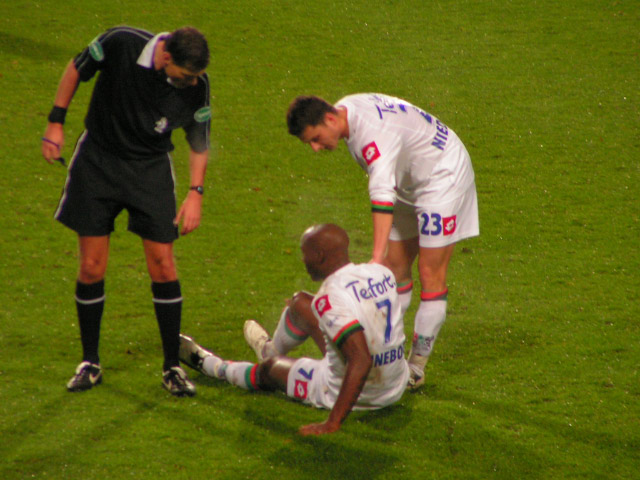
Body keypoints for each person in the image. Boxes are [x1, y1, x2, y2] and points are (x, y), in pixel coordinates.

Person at [41, 26, 212, 396]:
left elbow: (198, 139)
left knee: (163, 263)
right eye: (185, 76)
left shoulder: (197, 83)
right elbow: (76, 69)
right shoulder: (120, 43)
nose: (191, 83)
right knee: (91, 265)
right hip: (98, 162)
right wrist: (56, 120)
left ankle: (171, 367)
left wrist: (195, 192)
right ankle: (90, 362)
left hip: (149, 168)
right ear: (166, 56)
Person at [286, 94, 479, 389]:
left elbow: (381, 198)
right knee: (395, 270)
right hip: (411, 177)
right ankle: (387, 352)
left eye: (315, 138)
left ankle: (416, 367)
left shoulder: (371, 136)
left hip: (443, 176)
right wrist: (383, 263)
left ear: (329, 119)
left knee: (429, 273)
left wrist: (376, 257)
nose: (315, 148)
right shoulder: (345, 110)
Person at [179, 224, 408, 435]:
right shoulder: (380, 272)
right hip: (394, 381)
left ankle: (212, 366)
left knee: (268, 370)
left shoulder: (329, 298)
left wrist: (333, 421)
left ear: (319, 256)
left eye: (305, 253)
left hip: (354, 391)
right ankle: (270, 349)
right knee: (299, 303)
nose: (303, 259)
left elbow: (360, 360)